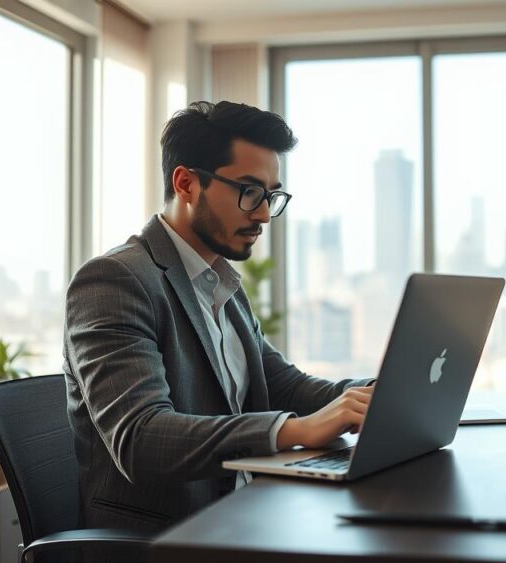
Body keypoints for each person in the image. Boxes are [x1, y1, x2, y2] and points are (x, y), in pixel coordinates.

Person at [63, 101, 374, 535]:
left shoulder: (221, 283)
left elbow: (285, 385)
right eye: (249, 192)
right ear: (187, 183)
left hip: (248, 515)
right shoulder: (115, 280)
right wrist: (295, 430)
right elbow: (142, 437)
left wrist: (372, 395)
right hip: (164, 539)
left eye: (271, 195)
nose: (264, 213)